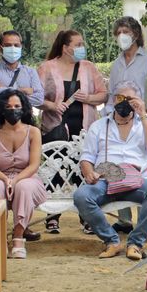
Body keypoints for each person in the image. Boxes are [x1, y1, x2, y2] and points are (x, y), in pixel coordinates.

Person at [73, 80, 147, 260]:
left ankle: (136, 244)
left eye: (130, 99)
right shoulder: (99, 126)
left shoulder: (145, 122)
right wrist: (88, 172)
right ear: (114, 100)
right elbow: (87, 157)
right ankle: (112, 241)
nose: (124, 103)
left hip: (138, 181)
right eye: (120, 98)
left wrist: (143, 115)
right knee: (81, 196)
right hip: (105, 181)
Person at [40, 29, 105, 234]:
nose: (81, 48)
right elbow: (36, 98)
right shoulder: (46, 68)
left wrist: (89, 98)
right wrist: (52, 105)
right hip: (56, 127)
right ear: (65, 47)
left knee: (83, 172)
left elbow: (103, 94)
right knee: (55, 170)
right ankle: (52, 215)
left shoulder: (88, 68)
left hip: (86, 127)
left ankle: (86, 216)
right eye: (77, 44)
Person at [0, 88, 49, 258]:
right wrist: (6, 180)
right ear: (1, 109)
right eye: (9, 107)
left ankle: (18, 236)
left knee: (24, 187)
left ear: (24, 108)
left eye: (17, 106)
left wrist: (15, 180)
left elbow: (34, 165)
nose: (13, 110)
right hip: (0, 175)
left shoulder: (33, 132)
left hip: (27, 177)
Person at [0, 29, 43, 107]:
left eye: (16, 45)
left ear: (21, 47)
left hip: (23, 119)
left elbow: (39, 99)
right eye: (8, 45)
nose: (12, 48)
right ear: (0, 48)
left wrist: (5, 89)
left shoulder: (31, 72)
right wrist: (23, 90)